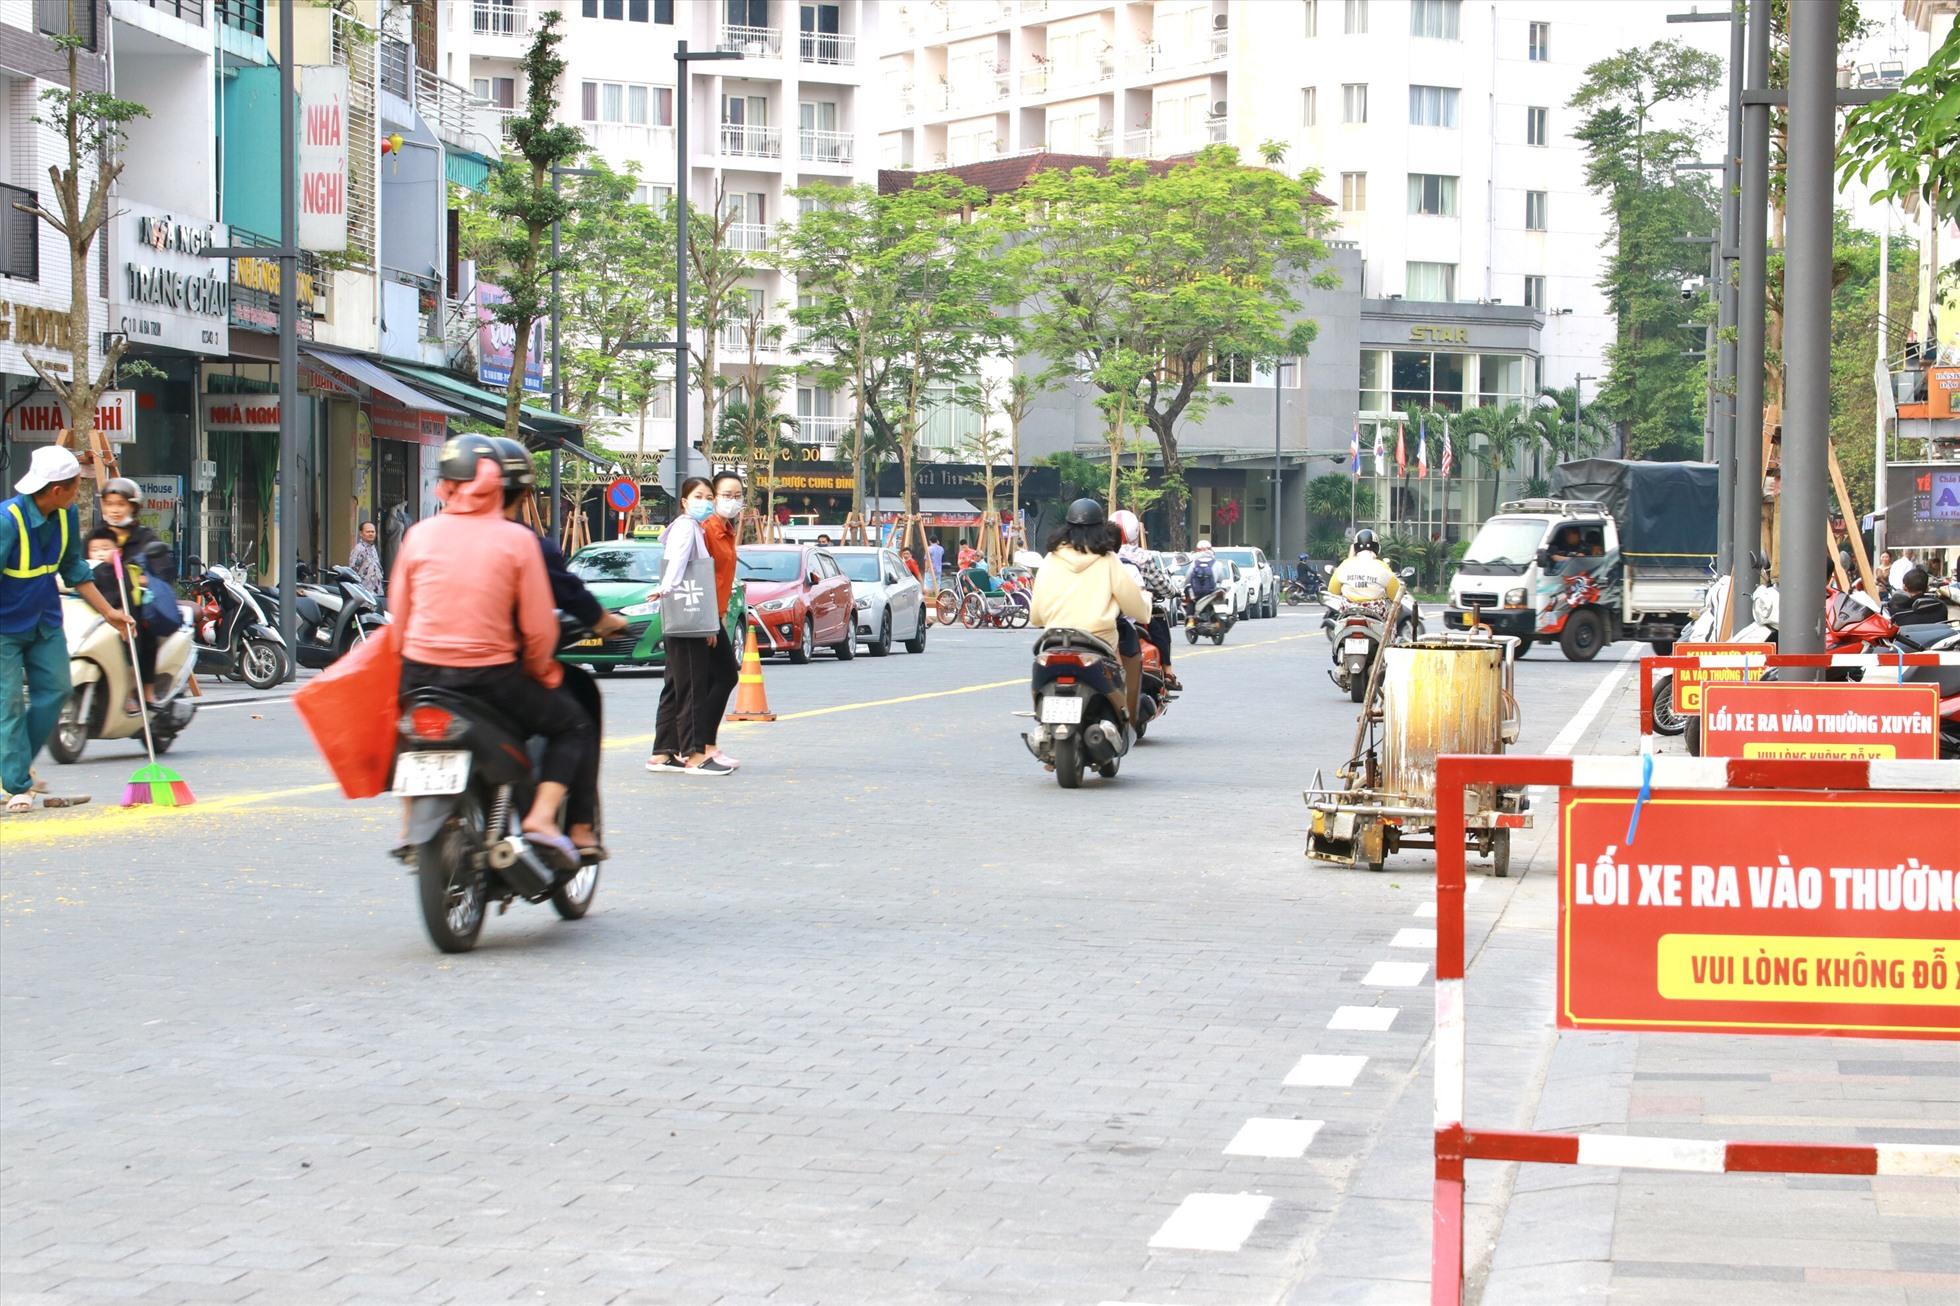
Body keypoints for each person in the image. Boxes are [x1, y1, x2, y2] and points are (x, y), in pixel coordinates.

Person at [387, 434, 595, 864]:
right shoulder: (517, 541)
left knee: (405, 730)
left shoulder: (418, 536)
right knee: (571, 724)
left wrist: (405, 662)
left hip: (420, 673)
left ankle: (409, 825)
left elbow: (399, 615)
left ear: (444, 486)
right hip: (490, 679)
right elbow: (538, 630)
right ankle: (539, 818)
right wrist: (541, 670)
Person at [2, 447, 137, 812]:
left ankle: (12, 771)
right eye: (77, 481)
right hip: (5, 630)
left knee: (58, 690)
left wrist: (111, 612)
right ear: (57, 488)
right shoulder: (7, 520)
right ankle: (17, 784)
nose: (81, 486)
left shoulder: (65, 515)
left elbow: (75, 571)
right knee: (9, 703)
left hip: (45, 622)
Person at [646, 477, 736, 777]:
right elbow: (680, 563)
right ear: (684, 501)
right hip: (690, 613)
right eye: (698, 496)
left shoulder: (688, 527)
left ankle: (662, 752)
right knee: (693, 686)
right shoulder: (686, 527)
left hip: (682, 613)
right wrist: (667, 588)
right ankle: (696, 755)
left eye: (709, 496)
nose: (705, 502)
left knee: (677, 683)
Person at [1031, 499, 1150, 719]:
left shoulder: (1050, 558)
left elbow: (1036, 614)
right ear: (1100, 528)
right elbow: (1134, 605)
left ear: (1066, 526)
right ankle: (1122, 721)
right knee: (1122, 677)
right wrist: (1145, 607)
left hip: (1054, 640)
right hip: (1099, 642)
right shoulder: (1108, 559)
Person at [93, 478, 179, 704]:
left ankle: (145, 690)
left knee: (141, 628)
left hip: (133, 605)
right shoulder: (96, 536)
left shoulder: (145, 538)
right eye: (109, 503)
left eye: (120, 504)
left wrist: (142, 579)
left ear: (133, 507)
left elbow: (163, 571)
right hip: (99, 603)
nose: (114, 510)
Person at [1110, 509, 1179, 691]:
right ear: (1135, 532)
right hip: (1134, 615)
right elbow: (1163, 586)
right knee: (1158, 622)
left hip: (1103, 613)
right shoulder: (1142, 557)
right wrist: (1173, 592)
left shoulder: (1100, 556)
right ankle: (1168, 671)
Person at [1328, 529, 1400, 604]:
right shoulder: (1383, 567)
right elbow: (1395, 595)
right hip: (1376, 611)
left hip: (1348, 610)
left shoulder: (1345, 565)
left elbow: (1333, 590)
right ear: (1377, 547)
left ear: (1355, 547)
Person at [349, 520, 385, 594]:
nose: (371, 534)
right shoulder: (359, 549)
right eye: (368, 532)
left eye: (372, 532)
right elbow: (353, 570)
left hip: (376, 592)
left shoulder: (373, 548)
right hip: (364, 593)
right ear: (361, 534)